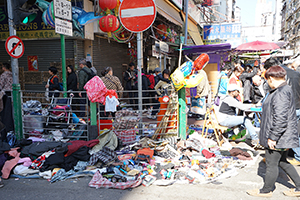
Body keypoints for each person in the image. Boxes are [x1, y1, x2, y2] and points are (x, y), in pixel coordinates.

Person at [247, 65, 300, 197]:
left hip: (278, 136)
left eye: (267, 80)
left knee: (271, 163)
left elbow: (280, 118)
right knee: (282, 162)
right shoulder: (283, 90)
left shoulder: (281, 92)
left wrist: (273, 137)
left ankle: (266, 190)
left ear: (271, 78)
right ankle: (299, 187)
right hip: (283, 136)